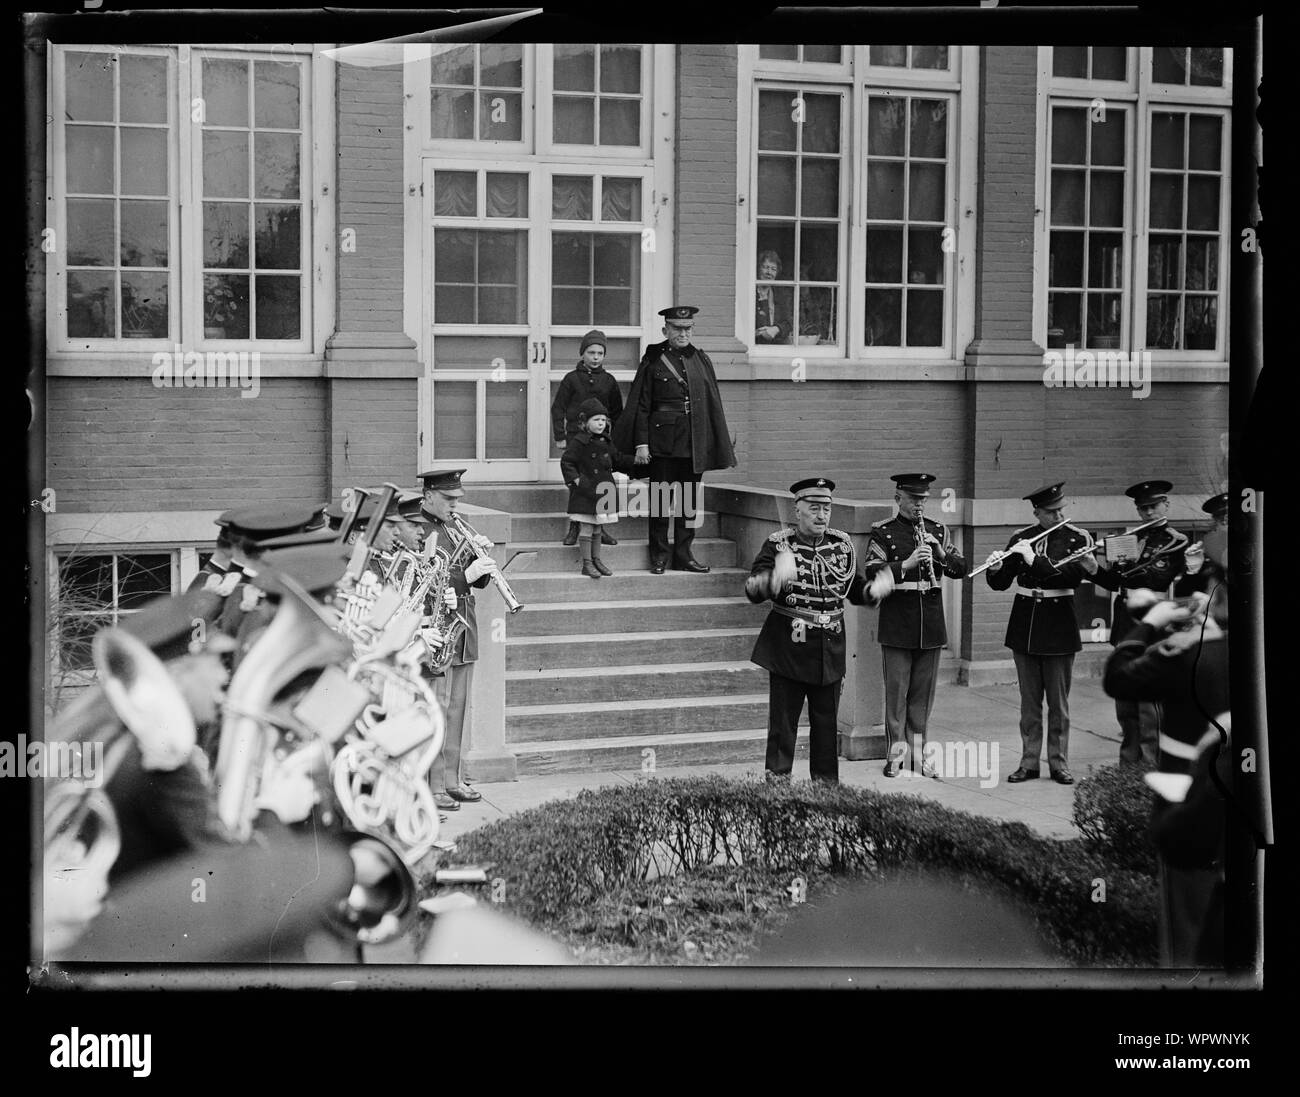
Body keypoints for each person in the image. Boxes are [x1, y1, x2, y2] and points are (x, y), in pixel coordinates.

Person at [1103, 580, 1230, 967]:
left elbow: (1120, 676)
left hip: (1194, 804)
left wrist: (1149, 623)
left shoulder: (1195, 655)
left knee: (1189, 938)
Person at [745, 477, 893, 782]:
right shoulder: (778, 545)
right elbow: (752, 590)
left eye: (826, 508)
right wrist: (775, 578)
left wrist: (874, 591)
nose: (821, 515)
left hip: (830, 649)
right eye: (814, 508)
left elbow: (854, 588)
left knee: (826, 728)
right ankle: (777, 788)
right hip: (789, 648)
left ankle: (826, 791)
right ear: (798, 510)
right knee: (783, 727)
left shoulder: (841, 546)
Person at [984, 482, 1098, 785]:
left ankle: (1059, 763)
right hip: (1026, 626)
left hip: (1059, 625)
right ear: (1037, 512)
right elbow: (1001, 583)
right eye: (1051, 511)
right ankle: (1029, 761)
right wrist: (995, 568)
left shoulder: (1079, 538)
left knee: (1058, 704)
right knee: (1029, 702)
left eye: (1061, 509)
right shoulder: (1021, 538)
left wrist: (1035, 561)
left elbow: (1072, 577)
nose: (1059, 515)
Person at [612, 305, 736, 575]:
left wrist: (710, 441)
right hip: (662, 443)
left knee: (688, 503)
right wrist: (641, 443)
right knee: (660, 503)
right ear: (665, 329)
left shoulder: (700, 359)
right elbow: (641, 404)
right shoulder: (655, 359)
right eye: (677, 328)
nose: (683, 333)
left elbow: (711, 404)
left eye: (687, 328)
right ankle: (659, 556)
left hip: (694, 443)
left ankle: (684, 555)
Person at [405, 469, 501, 813]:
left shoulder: (454, 526)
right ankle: (434, 784)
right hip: (438, 625)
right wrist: (466, 577)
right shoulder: (420, 529)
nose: (454, 505)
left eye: (456, 499)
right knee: (438, 708)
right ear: (428, 495)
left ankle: (451, 779)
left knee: (458, 707)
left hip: (463, 624)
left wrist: (481, 566)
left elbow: (472, 582)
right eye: (448, 499)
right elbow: (428, 579)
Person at [865, 473, 967, 777]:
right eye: (913, 499)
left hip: (931, 622)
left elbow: (960, 569)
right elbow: (871, 571)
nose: (919, 505)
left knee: (922, 697)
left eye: (923, 499)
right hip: (898, 621)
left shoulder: (939, 531)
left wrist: (938, 552)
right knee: (896, 695)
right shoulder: (883, 532)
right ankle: (896, 755)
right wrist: (906, 565)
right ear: (898, 499)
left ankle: (919, 755)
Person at [1090, 479, 1190, 766]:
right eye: (1142, 508)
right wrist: (1093, 567)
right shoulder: (1130, 539)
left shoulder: (1175, 539)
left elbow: (1156, 577)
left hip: (1153, 621)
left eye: (1153, 506)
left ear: (1166, 505)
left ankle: (1149, 765)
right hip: (1126, 620)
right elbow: (1113, 582)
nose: (1148, 513)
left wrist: (1121, 565)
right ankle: (1128, 765)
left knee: (1149, 704)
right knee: (1125, 699)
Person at [551, 329, 624, 548]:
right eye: (591, 352)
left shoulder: (609, 380)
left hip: (601, 442)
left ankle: (601, 528)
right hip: (577, 439)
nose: (595, 357)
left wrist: (616, 439)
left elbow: (617, 412)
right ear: (582, 353)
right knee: (578, 484)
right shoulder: (571, 379)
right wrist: (560, 436)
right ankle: (575, 526)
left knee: (602, 481)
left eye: (600, 353)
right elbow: (558, 408)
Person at [560, 398, 638, 579]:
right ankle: (586, 564)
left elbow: (616, 458)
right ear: (585, 423)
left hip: (603, 491)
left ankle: (596, 559)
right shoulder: (579, 442)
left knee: (597, 528)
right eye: (596, 420)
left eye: (603, 420)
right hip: (586, 493)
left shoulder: (605, 441)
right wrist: (577, 481)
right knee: (587, 527)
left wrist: (635, 461)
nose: (601, 423)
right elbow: (567, 462)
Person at [1174, 491, 1229, 598]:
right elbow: (1182, 595)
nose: (1226, 524)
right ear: (1216, 524)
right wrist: (1193, 571)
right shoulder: (1207, 557)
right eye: (1222, 520)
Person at [754, 250, 792, 344]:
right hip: (754, 345)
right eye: (766, 267)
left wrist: (777, 329)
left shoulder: (781, 295)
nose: (769, 272)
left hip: (776, 347)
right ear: (758, 269)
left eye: (773, 269)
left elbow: (789, 322)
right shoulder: (749, 293)